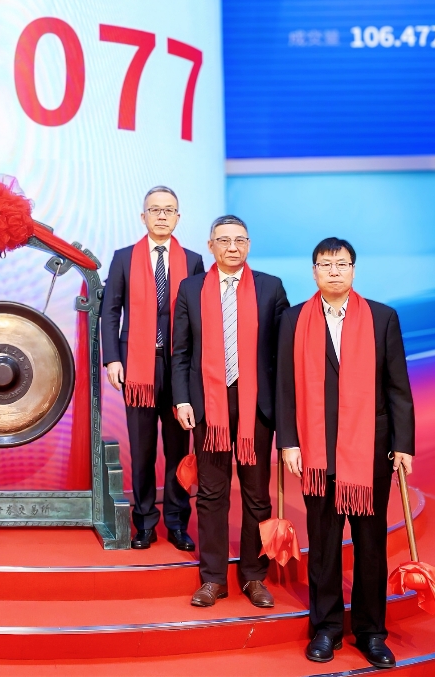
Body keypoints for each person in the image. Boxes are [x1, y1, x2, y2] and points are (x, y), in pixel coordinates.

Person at [276, 238, 416, 669]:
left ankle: (372, 632)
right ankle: (327, 628)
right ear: (314, 271)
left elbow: (398, 387)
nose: (334, 271)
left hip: (369, 452)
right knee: (323, 545)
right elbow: (284, 385)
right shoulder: (293, 319)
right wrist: (289, 441)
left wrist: (403, 445)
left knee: (371, 545)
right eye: (326, 264)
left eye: (342, 264)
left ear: (354, 269)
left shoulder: (382, 317)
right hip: (317, 453)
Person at [172, 216, 290, 608]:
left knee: (257, 496)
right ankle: (213, 578)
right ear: (211, 246)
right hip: (209, 406)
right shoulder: (191, 289)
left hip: (257, 405)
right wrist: (182, 399)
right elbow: (181, 351)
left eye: (240, 240)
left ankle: (254, 576)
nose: (232, 247)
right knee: (211, 494)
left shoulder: (271, 288)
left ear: (249, 244)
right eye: (224, 240)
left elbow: (283, 352)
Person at [101, 186, 204, 550]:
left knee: (178, 450)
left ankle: (176, 522)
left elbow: (200, 318)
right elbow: (110, 311)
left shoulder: (192, 261)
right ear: (142, 216)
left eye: (169, 210)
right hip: (137, 368)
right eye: (155, 209)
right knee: (142, 451)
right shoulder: (124, 258)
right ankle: (144, 522)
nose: (162, 215)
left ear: (178, 217)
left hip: (179, 369)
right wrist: (113, 358)